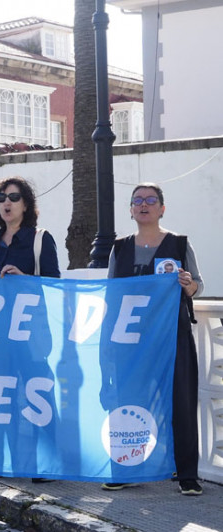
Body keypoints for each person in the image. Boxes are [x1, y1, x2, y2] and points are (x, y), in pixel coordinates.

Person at [103, 183, 203, 496]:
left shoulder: (179, 244)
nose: (143, 205)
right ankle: (125, 468)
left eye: (151, 200)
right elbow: (110, 295)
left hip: (172, 338)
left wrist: (188, 285)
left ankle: (186, 475)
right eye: (137, 201)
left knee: (181, 404)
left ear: (162, 208)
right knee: (128, 403)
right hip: (129, 342)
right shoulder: (119, 248)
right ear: (131, 209)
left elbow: (197, 284)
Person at [0, 177, 61, 483]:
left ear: (26, 204)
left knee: (39, 396)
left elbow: (54, 284)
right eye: (1, 198)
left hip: (30, 333)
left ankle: (50, 465)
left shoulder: (40, 238)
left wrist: (23, 277)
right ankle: (5, 464)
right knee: (3, 397)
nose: (7, 203)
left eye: (14, 197)